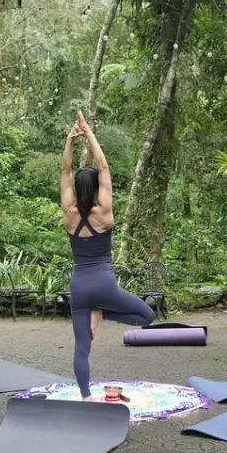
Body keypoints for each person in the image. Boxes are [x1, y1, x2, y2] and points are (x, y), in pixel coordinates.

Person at [61, 110, 155, 401]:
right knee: (147, 316)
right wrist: (88, 133)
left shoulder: (69, 214)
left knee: (81, 348)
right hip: (104, 285)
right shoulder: (104, 213)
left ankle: (86, 397)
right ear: (98, 189)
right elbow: (103, 167)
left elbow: (64, 172)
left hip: (78, 288)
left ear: (77, 190)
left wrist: (69, 141)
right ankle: (104, 312)